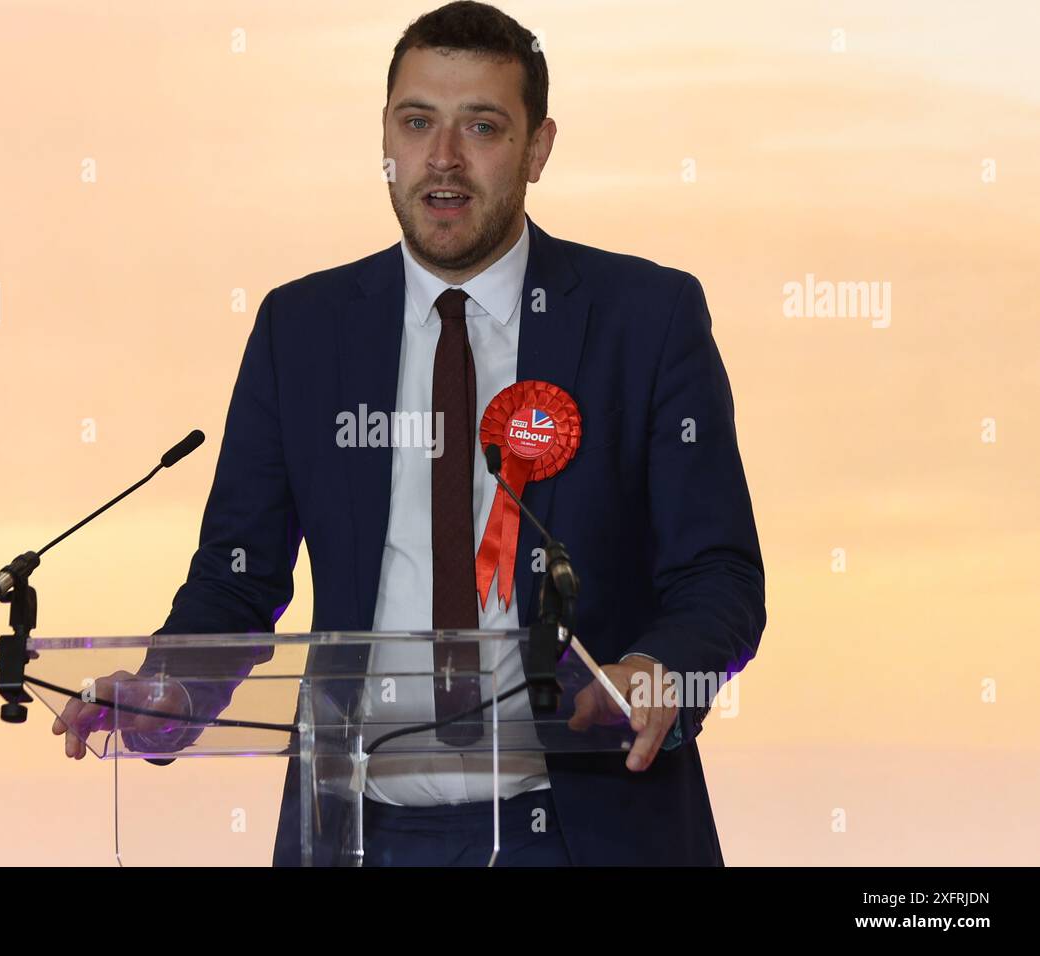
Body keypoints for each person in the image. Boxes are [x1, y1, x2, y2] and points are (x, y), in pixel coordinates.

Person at [53, 0, 766, 866]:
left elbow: (719, 578)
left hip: (587, 825)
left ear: (538, 149)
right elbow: (237, 579)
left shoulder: (644, 319)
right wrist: (172, 689)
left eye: (483, 127)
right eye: (418, 121)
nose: (444, 158)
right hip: (357, 832)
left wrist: (658, 669)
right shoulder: (302, 330)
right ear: (385, 138)